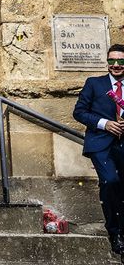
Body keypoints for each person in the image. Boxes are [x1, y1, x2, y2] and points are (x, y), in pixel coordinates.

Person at [73, 43, 124, 255]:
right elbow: (79, 112)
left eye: (120, 61)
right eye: (111, 60)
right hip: (101, 143)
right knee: (110, 181)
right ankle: (115, 232)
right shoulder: (94, 83)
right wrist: (105, 123)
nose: (115, 65)